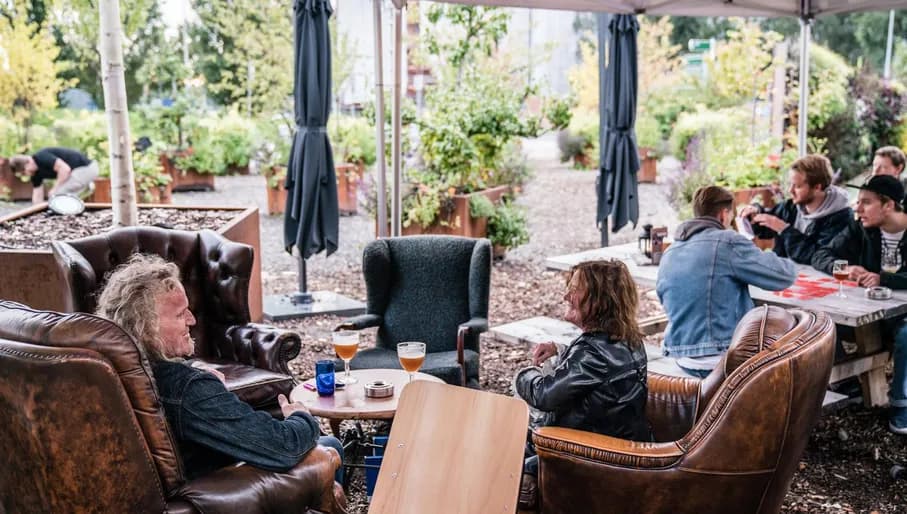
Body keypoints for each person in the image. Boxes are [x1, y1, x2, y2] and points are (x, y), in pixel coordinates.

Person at [94, 253, 344, 480]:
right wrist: (301, 416)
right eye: (181, 314)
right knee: (330, 443)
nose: (192, 319)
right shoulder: (187, 388)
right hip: (215, 490)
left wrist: (201, 378)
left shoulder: (114, 372)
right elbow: (284, 447)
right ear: (146, 327)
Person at [514, 260, 649, 509]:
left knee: (502, 463)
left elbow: (544, 394)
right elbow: (599, 372)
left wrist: (525, 373)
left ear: (600, 300)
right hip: (611, 443)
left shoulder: (593, 354)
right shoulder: (626, 338)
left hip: (585, 456)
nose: (566, 295)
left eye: (575, 290)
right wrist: (560, 349)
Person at [656, 185, 797, 378]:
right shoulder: (727, 242)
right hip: (721, 358)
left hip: (681, 355)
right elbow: (783, 276)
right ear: (723, 214)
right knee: (794, 341)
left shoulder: (671, 250)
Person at [811, 175, 907, 434]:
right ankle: (850, 382)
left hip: (902, 314)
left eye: (866, 202)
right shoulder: (860, 228)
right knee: (824, 322)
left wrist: (883, 278)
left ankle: (901, 407)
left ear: (888, 205)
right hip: (870, 311)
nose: (857, 208)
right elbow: (821, 254)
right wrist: (843, 267)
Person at [739, 154, 852, 264]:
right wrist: (755, 211)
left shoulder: (841, 218)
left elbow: (817, 256)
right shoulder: (791, 207)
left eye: (797, 186)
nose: (790, 190)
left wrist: (784, 229)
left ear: (817, 187)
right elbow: (765, 228)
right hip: (787, 276)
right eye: (790, 184)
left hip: (820, 280)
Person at [9, 147, 99, 204]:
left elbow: (65, 169)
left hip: (87, 168)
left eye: (24, 172)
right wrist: (36, 212)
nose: (26, 175)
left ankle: (68, 216)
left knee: (58, 194)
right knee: (58, 195)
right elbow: (37, 196)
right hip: (77, 174)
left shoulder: (41, 156)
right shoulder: (36, 174)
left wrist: (54, 189)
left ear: (28, 163)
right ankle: (85, 190)